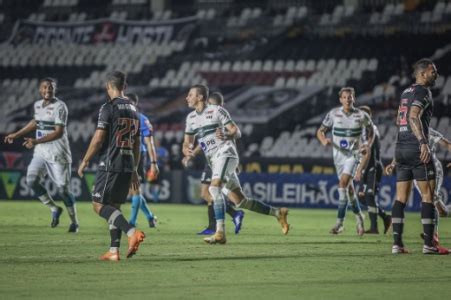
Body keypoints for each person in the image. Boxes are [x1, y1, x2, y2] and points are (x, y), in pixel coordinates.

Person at [182, 84, 289, 244]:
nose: (187, 98)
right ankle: (277, 213)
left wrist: (226, 134)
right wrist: (187, 150)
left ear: (200, 97)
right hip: (213, 160)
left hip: (226, 153)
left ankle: (220, 232)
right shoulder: (191, 118)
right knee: (240, 201)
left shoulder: (217, 111)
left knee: (213, 188)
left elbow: (236, 131)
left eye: (190, 95)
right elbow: (187, 142)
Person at [78, 71, 145, 261]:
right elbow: (136, 144)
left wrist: (85, 160)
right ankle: (114, 251)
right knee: (114, 207)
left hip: (110, 163)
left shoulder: (108, 107)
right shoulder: (134, 110)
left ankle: (132, 232)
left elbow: (99, 139)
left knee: (98, 205)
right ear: (125, 86)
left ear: (108, 86)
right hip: (127, 164)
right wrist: (134, 169)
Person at [4, 77, 79, 232]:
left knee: (63, 190)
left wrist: (35, 141)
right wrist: (16, 135)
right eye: (45, 87)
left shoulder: (60, 106)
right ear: (40, 89)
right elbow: (35, 122)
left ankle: (74, 222)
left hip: (59, 154)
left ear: (54, 90)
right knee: (31, 181)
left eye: (50, 87)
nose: (47, 90)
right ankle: (54, 208)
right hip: (41, 153)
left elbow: (58, 133)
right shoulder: (37, 105)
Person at [389, 58, 447, 255]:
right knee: (427, 195)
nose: (436, 74)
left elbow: (400, 119)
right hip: (416, 147)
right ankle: (429, 244)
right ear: (422, 73)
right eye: (433, 71)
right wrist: (423, 142)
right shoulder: (424, 92)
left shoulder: (406, 92)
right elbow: (413, 116)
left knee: (400, 197)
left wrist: (398, 154)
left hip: (401, 147)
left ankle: (397, 244)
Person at [183, 92, 245, 235]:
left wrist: (236, 165)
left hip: (221, 159)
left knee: (212, 192)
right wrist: (192, 153)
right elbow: (204, 140)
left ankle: (220, 224)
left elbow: (233, 141)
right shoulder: (203, 119)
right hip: (210, 159)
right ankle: (221, 221)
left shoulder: (220, 119)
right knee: (207, 194)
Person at [316, 87, 370, 236]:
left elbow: (370, 131)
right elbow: (320, 131)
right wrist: (323, 140)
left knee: (342, 185)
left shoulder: (361, 115)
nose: (347, 99)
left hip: (353, 155)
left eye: (350, 97)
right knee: (350, 191)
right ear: (340, 99)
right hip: (338, 156)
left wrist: (366, 145)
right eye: (345, 97)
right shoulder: (333, 114)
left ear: (354, 98)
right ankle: (360, 217)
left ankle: (339, 223)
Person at [386, 127, 451, 250]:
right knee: (434, 204)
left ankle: (432, 238)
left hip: (431, 168)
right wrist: (393, 164)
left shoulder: (426, 130)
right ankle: (428, 240)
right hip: (415, 168)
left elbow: (447, 144)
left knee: (431, 199)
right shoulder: (404, 131)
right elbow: (401, 149)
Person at [355, 105, 392, 234]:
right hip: (365, 167)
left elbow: (367, 150)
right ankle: (385, 217)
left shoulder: (372, 128)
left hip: (374, 167)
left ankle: (374, 227)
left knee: (369, 195)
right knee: (361, 196)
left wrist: (359, 169)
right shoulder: (361, 130)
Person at [126, 93, 159, 228]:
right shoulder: (120, 119)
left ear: (135, 104)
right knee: (133, 190)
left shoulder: (142, 119)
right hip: (123, 155)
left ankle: (132, 222)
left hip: (138, 155)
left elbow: (150, 143)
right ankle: (150, 217)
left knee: (135, 189)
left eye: (129, 103)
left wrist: (153, 163)